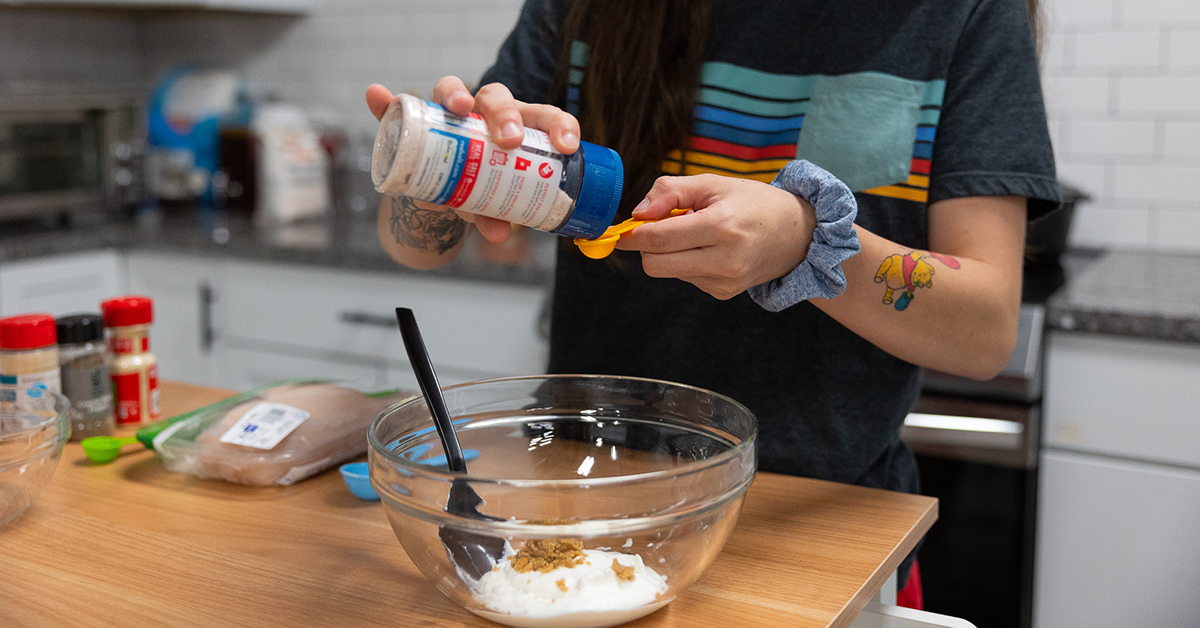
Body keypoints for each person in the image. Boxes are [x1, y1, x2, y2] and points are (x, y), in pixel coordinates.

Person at [365, 0, 1059, 603]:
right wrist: (435, 170)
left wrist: (809, 242)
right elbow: (415, 246)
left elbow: (986, 330)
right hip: (584, 510)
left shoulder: (962, 14)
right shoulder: (586, 10)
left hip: (819, 523)